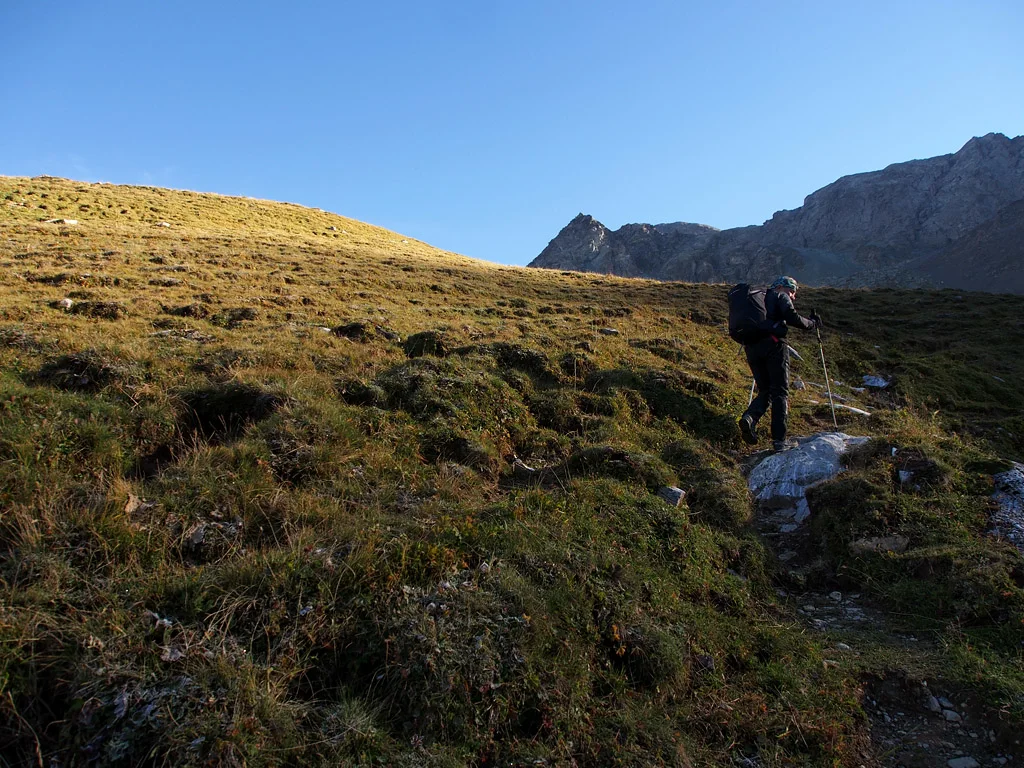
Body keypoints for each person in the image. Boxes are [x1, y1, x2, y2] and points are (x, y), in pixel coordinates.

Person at [738, 276, 821, 451]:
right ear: (782, 287)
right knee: (780, 392)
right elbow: (793, 318)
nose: (793, 296)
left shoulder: (757, 299)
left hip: (751, 348)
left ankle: (750, 418)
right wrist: (812, 324)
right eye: (792, 291)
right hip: (774, 346)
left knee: (766, 390)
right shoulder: (779, 296)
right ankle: (779, 441)